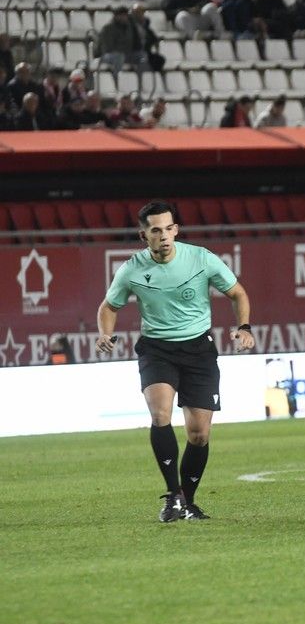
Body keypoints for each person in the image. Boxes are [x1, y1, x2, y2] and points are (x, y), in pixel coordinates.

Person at [96, 201, 255, 521]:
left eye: (169, 228)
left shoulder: (201, 258)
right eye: (156, 230)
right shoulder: (131, 270)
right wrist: (105, 334)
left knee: (199, 434)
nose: (164, 235)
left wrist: (244, 327)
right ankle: (173, 497)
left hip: (199, 350)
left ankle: (189, 502)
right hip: (157, 350)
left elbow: (238, 293)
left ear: (176, 230)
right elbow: (109, 306)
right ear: (144, 235)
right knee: (160, 414)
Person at [96, 6, 147, 71]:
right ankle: (116, 76)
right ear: (116, 16)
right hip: (108, 56)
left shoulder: (129, 27)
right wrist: (120, 52)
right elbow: (107, 47)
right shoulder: (108, 28)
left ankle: (140, 76)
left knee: (142, 55)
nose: (124, 18)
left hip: (125, 55)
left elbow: (133, 44)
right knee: (119, 57)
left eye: (125, 15)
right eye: (122, 15)